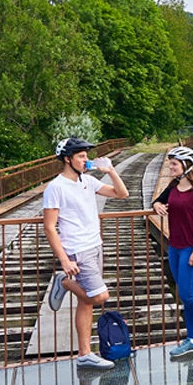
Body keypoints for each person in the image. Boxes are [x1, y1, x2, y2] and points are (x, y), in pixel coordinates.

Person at [44, 137, 129, 370]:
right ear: (67, 159)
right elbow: (50, 226)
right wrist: (63, 259)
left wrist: (110, 170)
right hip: (76, 250)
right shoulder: (56, 187)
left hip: (95, 245)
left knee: (86, 301)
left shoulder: (88, 181)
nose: (86, 160)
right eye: (81, 156)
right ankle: (64, 282)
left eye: (86, 156)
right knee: (100, 297)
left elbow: (122, 194)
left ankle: (84, 354)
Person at [152, 146, 193, 359]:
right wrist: (156, 205)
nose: (170, 166)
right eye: (171, 163)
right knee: (185, 293)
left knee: (188, 294)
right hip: (175, 246)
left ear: (186, 166)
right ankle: (192, 339)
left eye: (174, 164)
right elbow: (159, 200)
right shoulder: (173, 186)